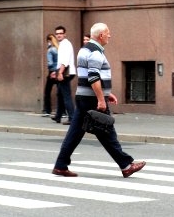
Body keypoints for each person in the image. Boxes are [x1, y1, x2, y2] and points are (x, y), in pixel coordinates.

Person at [52, 23, 146, 178]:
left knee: (75, 133)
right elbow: (93, 77)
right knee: (107, 132)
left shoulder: (85, 49)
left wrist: (107, 93)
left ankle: (60, 165)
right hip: (92, 99)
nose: (110, 36)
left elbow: (89, 76)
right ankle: (126, 165)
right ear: (101, 35)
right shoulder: (95, 52)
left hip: (83, 96)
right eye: (108, 33)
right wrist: (101, 99)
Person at [51, 25, 76, 125]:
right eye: (57, 34)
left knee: (66, 95)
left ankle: (72, 117)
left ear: (64, 34)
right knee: (60, 94)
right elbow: (61, 61)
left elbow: (65, 61)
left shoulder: (65, 44)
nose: (59, 35)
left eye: (61, 33)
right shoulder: (62, 44)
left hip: (66, 72)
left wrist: (60, 72)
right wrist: (56, 71)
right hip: (64, 71)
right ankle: (58, 116)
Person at [42, 34, 59, 117]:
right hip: (59, 71)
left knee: (47, 91)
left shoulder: (50, 50)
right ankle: (62, 112)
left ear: (48, 41)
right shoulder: (58, 48)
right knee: (60, 91)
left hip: (52, 72)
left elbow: (50, 62)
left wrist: (52, 71)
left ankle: (47, 110)